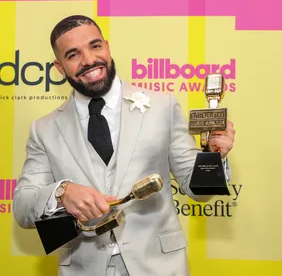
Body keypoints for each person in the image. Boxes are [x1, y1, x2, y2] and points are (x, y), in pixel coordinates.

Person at [13, 15, 235, 276]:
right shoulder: (44, 129)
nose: (89, 60)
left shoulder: (163, 106)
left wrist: (213, 156)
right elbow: (23, 207)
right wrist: (62, 192)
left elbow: (199, 191)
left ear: (106, 46)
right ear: (60, 68)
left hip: (159, 267)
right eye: (73, 54)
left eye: (95, 46)